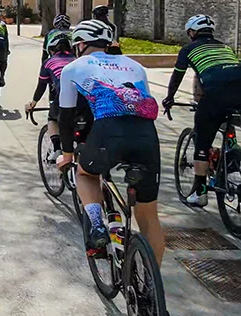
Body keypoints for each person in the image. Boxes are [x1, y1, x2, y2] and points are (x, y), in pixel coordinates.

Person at [57, 20, 164, 268]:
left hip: (108, 131)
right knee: (149, 216)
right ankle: (152, 284)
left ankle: (96, 225)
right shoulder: (135, 66)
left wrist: (67, 155)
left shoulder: (73, 67)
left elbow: (65, 117)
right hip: (146, 136)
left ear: (81, 44)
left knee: (85, 173)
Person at [161, 14, 241, 206]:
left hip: (216, 94)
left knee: (202, 143)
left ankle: (200, 193)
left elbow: (177, 76)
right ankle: (231, 152)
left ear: (191, 32)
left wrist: (169, 98)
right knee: (225, 114)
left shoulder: (188, 49)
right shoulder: (225, 47)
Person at [25, 31, 77, 158]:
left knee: (52, 119)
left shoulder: (49, 62)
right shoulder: (77, 60)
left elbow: (41, 86)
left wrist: (33, 103)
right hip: (85, 99)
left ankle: (57, 150)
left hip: (65, 97)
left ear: (51, 50)